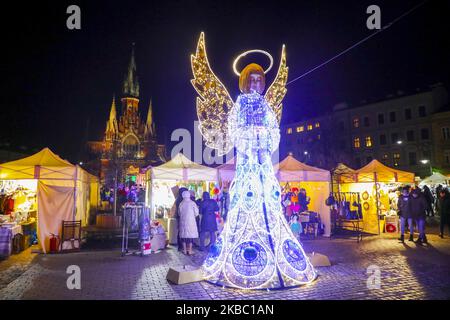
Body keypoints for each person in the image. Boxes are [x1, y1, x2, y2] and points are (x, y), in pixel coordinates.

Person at [178, 190, 199, 255]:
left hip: (183, 221)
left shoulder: (181, 203)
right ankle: (189, 250)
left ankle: (184, 250)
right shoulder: (192, 203)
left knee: (184, 236)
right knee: (190, 236)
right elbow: (196, 213)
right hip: (191, 221)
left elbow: (179, 213)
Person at [174, 187, 188, 251]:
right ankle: (181, 246)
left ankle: (180, 246)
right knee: (182, 231)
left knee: (180, 231)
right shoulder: (182, 200)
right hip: (182, 217)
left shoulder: (178, 198)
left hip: (179, 217)